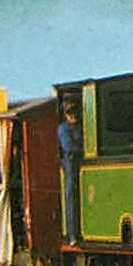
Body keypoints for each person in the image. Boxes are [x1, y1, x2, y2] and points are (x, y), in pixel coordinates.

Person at [58, 100, 82, 245]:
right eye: (70, 112)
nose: (73, 115)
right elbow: (68, 147)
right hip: (70, 163)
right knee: (70, 195)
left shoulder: (79, 127)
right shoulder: (63, 129)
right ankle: (72, 234)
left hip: (79, 160)